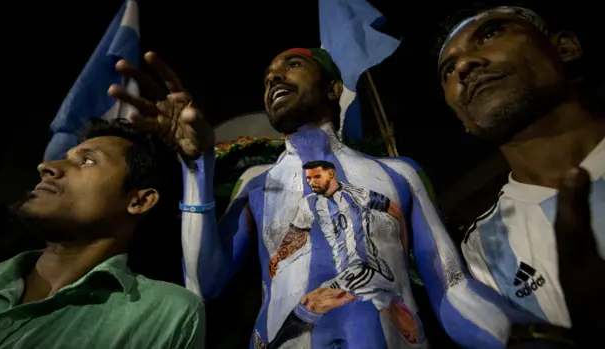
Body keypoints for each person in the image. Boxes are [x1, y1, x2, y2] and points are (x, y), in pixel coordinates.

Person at [110, 49, 532, 349]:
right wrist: (196, 167)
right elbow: (202, 285)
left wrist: (530, 339)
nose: (274, 77)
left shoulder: (398, 173)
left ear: (333, 88)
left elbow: (453, 286)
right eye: (267, 76)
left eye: (292, 65)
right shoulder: (257, 184)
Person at [437, 3, 605, 346]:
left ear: (564, 48)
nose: (465, 66)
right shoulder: (481, 252)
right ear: (463, 121)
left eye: (491, 34)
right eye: (449, 69)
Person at [0, 119, 205, 349]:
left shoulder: (165, 314)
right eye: (64, 158)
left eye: (88, 161)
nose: (46, 167)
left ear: (140, 201)